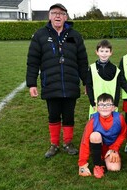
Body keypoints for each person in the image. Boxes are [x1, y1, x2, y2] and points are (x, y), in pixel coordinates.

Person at [26, 3, 89, 158]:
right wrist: (32, 83)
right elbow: (33, 60)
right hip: (50, 83)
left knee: (69, 115)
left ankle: (68, 143)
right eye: (54, 13)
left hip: (70, 82)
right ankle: (54, 144)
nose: (58, 16)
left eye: (61, 13)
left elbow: (82, 61)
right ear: (49, 16)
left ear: (66, 17)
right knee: (53, 115)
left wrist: (87, 82)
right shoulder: (40, 35)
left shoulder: (75, 36)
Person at [78, 93, 127, 179]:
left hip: (111, 148)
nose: (104, 107)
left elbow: (122, 134)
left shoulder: (119, 118)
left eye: (108, 105)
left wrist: (114, 148)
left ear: (113, 107)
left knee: (114, 169)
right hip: (98, 146)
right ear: (97, 107)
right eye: (101, 105)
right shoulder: (93, 120)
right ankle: (98, 165)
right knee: (95, 135)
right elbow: (84, 141)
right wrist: (82, 164)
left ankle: (107, 157)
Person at [86, 39, 120, 118]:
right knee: (95, 126)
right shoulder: (92, 68)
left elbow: (118, 88)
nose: (104, 54)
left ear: (111, 53)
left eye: (106, 51)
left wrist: (115, 104)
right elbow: (89, 86)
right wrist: (92, 103)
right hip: (96, 104)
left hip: (111, 105)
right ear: (97, 52)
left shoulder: (115, 69)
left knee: (111, 127)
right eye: (101, 51)